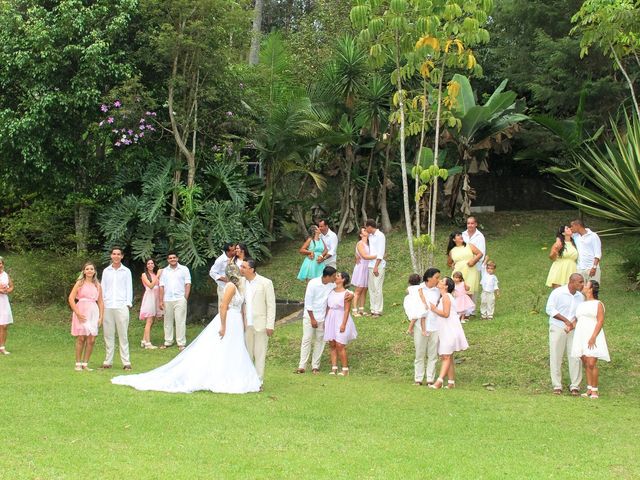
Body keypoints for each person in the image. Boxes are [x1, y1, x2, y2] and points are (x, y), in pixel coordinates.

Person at [112, 263, 261, 394]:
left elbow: (241, 307)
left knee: (233, 347)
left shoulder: (238, 287)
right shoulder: (229, 287)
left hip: (236, 322)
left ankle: (232, 373)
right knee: (222, 345)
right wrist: (223, 325)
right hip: (229, 320)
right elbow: (223, 307)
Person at [545, 273, 585, 395]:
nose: (582, 284)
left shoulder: (580, 296)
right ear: (572, 282)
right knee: (556, 355)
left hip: (573, 328)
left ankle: (575, 386)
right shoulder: (558, 292)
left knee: (575, 355)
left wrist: (572, 323)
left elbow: (580, 313)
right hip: (558, 327)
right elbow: (550, 309)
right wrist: (565, 320)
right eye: (580, 282)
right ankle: (557, 385)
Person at [240, 258, 276, 387]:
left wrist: (270, 325)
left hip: (261, 323)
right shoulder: (241, 282)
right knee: (247, 353)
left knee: (260, 354)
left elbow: (271, 305)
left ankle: (258, 381)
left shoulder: (265, 283)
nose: (241, 269)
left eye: (244, 267)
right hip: (246, 324)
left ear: (251, 269)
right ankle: (248, 380)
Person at [571, 280, 609, 399]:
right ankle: (589, 388)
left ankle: (595, 390)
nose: (583, 286)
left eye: (586, 285)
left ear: (591, 289)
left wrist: (593, 337)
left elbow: (600, 321)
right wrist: (569, 326)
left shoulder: (598, 304)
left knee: (592, 362)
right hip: (581, 335)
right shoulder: (581, 304)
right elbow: (578, 319)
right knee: (586, 362)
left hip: (593, 335)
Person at [428, 277, 469, 389]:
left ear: (446, 286)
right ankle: (451, 382)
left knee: (446, 356)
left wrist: (433, 309)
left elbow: (446, 314)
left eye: (442, 281)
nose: (439, 282)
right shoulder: (444, 297)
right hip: (445, 329)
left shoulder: (446, 297)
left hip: (450, 330)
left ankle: (439, 381)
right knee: (448, 356)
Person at [296, 266, 337, 374]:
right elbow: (308, 302)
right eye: (333, 276)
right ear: (327, 276)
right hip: (310, 316)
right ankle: (302, 366)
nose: (335, 278)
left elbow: (342, 290)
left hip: (323, 317)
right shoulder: (313, 283)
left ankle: (315, 366)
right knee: (307, 339)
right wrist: (312, 319)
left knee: (320, 341)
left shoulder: (332, 285)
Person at [101, 247, 133, 370]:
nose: (116, 256)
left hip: (121, 306)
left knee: (123, 335)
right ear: (111, 256)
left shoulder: (126, 271)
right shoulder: (106, 271)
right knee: (108, 335)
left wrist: (127, 303)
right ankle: (108, 361)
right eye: (114, 254)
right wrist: (102, 304)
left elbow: (129, 287)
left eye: (118, 254)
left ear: (122, 256)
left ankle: (126, 362)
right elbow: (103, 288)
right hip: (108, 306)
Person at [69, 262, 104, 371]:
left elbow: (101, 302)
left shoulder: (98, 285)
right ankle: (78, 363)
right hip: (82, 311)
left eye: (91, 269)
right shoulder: (80, 283)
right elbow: (71, 298)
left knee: (91, 339)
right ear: (84, 271)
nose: (89, 271)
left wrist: (101, 317)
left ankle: (85, 363)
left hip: (93, 311)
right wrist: (77, 313)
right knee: (81, 337)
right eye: (87, 269)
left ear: (94, 271)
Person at [324, 272, 358, 376]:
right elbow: (328, 307)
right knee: (332, 343)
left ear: (343, 280)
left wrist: (343, 324)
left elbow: (347, 310)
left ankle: (345, 369)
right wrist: (326, 320)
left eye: (338, 276)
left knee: (340, 344)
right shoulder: (331, 291)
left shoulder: (347, 293)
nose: (335, 277)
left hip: (341, 317)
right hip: (331, 317)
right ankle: (334, 368)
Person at [414, 268, 441, 386]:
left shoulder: (438, 291)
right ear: (429, 278)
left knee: (433, 354)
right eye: (436, 277)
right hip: (420, 325)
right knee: (419, 353)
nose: (438, 280)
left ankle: (430, 379)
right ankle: (418, 378)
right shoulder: (418, 288)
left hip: (435, 325)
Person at [159, 251, 191, 351]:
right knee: (167, 321)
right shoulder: (164, 271)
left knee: (180, 321)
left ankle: (181, 343)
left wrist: (185, 297)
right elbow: (161, 286)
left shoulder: (184, 269)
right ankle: (168, 341)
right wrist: (161, 300)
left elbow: (188, 284)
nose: (172, 259)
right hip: (167, 299)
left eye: (174, 257)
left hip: (180, 299)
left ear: (177, 258)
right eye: (170, 258)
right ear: (168, 260)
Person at [447, 231, 483, 298]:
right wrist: (452, 265)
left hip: (470, 271)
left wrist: (473, 261)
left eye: (461, 235)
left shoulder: (469, 246)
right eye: (458, 235)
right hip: (458, 273)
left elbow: (480, 254)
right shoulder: (452, 251)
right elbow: (449, 263)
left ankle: (469, 308)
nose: (461, 236)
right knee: (456, 293)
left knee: (468, 293)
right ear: (454, 239)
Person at [351, 227, 377, 317]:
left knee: (365, 289)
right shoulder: (360, 244)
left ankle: (361, 309)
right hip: (361, 267)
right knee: (359, 289)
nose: (366, 231)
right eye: (364, 231)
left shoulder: (369, 244)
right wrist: (377, 256)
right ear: (361, 234)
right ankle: (354, 310)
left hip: (368, 267)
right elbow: (364, 256)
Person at [139, 258, 163, 349]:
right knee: (149, 321)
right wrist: (157, 275)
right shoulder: (144, 275)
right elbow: (151, 285)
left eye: (152, 263)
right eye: (148, 263)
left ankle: (144, 340)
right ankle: (148, 343)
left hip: (156, 298)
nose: (150, 265)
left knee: (152, 321)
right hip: (150, 298)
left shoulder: (155, 274)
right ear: (146, 265)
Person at [571, 219, 602, 283]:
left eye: (572, 226)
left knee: (593, 290)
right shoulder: (576, 236)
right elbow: (563, 232)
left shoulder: (593, 236)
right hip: (580, 268)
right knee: (581, 290)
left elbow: (598, 253)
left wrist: (594, 267)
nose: (571, 228)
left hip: (591, 268)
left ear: (578, 226)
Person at [365, 219, 386, 317]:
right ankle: (373, 309)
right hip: (370, 264)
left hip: (378, 265)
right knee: (372, 288)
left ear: (370, 226)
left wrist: (376, 266)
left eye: (366, 227)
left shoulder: (380, 236)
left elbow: (380, 253)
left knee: (377, 288)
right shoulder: (370, 236)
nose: (365, 229)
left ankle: (378, 310)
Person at [462, 216, 486, 300]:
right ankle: (463, 308)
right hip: (463, 264)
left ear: (476, 224)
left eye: (472, 223)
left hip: (475, 265)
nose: (470, 225)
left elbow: (481, 252)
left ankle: (471, 309)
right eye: (468, 223)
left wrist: (473, 261)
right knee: (463, 285)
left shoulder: (480, 236)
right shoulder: (463, 235)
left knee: (472, 286)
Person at [209, 243, 236, 310]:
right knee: (224, 308)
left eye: (235, 249)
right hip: (223, 288)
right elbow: (212, 272)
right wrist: (224, 279)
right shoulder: (220, 260)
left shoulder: (235, 258)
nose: (235, 251)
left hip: (234, 287)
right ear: (227, 251)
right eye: (233, 250)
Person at [0, 257, 15, 355]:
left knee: (4, 325)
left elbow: (12, 286)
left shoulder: (6, 275)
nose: (0, 265)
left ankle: (2, 347)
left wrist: (7, 290)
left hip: (3, 302)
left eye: (1, 263)